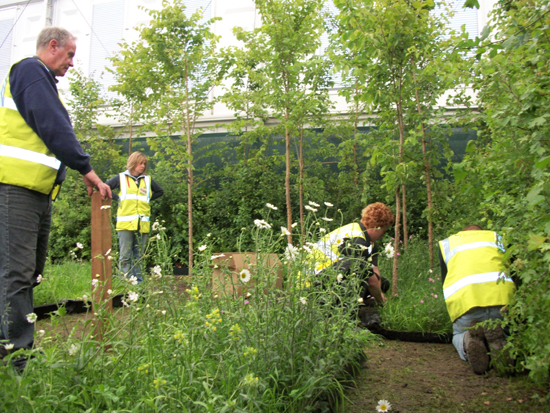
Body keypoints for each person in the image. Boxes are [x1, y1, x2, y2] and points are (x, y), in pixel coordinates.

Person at [0, 27, 112, 370]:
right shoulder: (30, 71)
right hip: (15, 189)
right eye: (70, 54)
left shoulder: (44, 84)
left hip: (36, 192)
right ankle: (18, 360)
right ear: (52, 46)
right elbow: (52, 126)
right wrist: (85, 168)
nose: (72, 63)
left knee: (28, 273)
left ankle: (13, 350)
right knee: (16, 274)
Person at [439, 225, 516, 375]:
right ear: (482, 231)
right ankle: (502, 344)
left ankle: (467, 340)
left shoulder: (447, 244)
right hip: (502, 305)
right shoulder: (500, 238)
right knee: (508, 332)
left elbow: (445, 282)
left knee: (457, 335)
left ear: (462, 233)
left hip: (468, 307)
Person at [309, 202, 394, 305]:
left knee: (382, 283)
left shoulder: (364, 237)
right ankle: (348, 311)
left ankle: (362, 304)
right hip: (312, 283)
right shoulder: (357, 240)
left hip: (329, 275)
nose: (382, 236)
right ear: (376, 227)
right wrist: (380, 301)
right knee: (359, 269)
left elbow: (375, 271)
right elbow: (371, 282)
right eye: (383, 232)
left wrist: (379, 292)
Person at [106, 152, 163, 283]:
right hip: (125, 224)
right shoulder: (121, 178)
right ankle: (124, 284)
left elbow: (160, 191)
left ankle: (138, 284)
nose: (143, 166)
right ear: (133, 163)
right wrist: (117, 199)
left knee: (139, 256)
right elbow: (104, 187)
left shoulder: (147, 180)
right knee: (125, 256)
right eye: (140, 163)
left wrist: (148, 199)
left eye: (144, 164)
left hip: (142, 223)